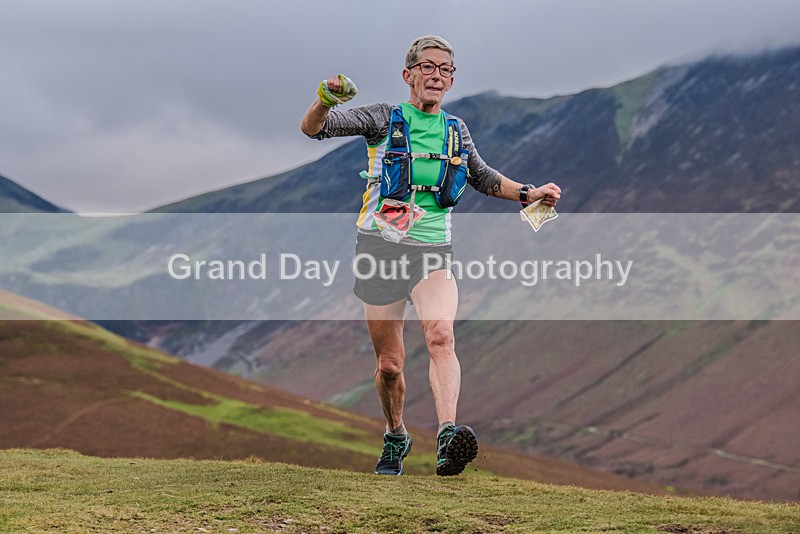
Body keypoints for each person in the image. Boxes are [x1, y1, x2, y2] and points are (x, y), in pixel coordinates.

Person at [300, 35, 560, 477]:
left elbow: (481, 176)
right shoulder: (383, 118)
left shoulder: (456, 130)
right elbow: (314, 129)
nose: (436, 75)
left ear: (452, 79)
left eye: (445, 69)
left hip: (432, 251)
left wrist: (529, 193)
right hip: (379, 249)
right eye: (428, 67)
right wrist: (325, 99)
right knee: (389, 366)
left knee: (440, 335)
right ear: (409, 75)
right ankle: (396, 434)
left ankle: (447, 437)